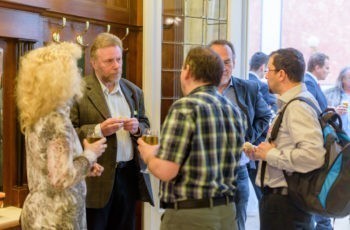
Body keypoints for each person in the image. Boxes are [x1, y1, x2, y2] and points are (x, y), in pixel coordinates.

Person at [138, 46, 247, 230]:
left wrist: (148, 155)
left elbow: (166, 171)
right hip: (227, 213)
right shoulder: (233, 110)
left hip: (191, 216)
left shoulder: (185, 107)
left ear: (187, 70)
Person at [16, 42, 107, 229]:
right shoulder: (56, 120)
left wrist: (85, 165)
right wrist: (90, 154)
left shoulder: (38, 115)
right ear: (61, 79)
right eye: (74, 70)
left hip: (42, 215)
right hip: (56, 218)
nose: (78, 74)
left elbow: (51, 172)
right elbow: (61, 179)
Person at [70, 32, 153, 230]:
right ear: (94, 63)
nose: (117, 65)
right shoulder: (78, 91)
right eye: (109, 61)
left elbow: (145, 124)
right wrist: (99, 129)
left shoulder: (134, 91)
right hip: (96, 179)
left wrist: (137, 128)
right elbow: (69, 133)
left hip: (128, 176)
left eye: (119, 59)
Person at [245, 48, 326, 230]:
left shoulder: (297, 106)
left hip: (286, 206)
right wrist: (262, 154)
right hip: (284, 204)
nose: (266, 76)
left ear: (281, 74)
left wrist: (271, 155)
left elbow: (313, 155)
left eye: (269, 70)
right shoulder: (294, 103)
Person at [209, 40, 272, 230]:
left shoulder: (249, 89)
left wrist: (247, 139)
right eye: (217, 61)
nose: (223, 67)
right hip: (207, 171)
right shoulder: (198, 91)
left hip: (239, 170)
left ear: (234, 63)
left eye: (227, 62)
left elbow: (265, 115)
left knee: (237, 223)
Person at [304, 52, 332, 230]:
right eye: (327, 67)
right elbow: (313, 113)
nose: (328, 71)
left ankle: (324, 224)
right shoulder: (308, 82)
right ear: (317, 66)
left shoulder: (313, 83)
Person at [324, 66, 350, 135]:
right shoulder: (330, 94)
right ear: (342, 79)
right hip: (339, 138)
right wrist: (335, 112)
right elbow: (322, 115)